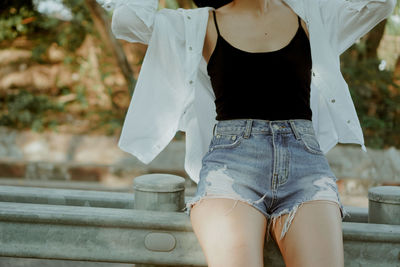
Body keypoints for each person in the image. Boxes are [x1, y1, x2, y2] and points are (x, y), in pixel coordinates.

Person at [102, 0, 396, 266]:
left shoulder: (312, 15)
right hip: (231, 171)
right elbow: (128, 21)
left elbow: (379, 4)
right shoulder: (200, 23)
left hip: (306, 171)